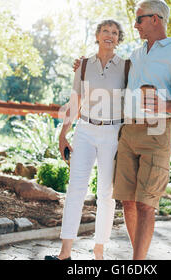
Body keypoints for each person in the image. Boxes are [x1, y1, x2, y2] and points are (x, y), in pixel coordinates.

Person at [113, 0, 171, 260]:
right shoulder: (136, 55)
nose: (135, 24)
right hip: (128, 130)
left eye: (139, 19)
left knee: (146, 203)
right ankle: (139, 258)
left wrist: (165, 104)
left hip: (157, 130)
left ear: (155, 19)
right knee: (127, 201)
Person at [44, 19, 128, 260]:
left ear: (118, 38)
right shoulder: (82, 66)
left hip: (112, 133)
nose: (109, 35)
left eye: (114, 32)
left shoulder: (126, 67)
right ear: (97, 35)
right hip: (85, 130)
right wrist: (63, 134)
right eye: (105, 31)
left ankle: (99, 253)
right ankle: (65, 253)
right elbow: (74, 102)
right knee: (75, 190)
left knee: (105, 194)